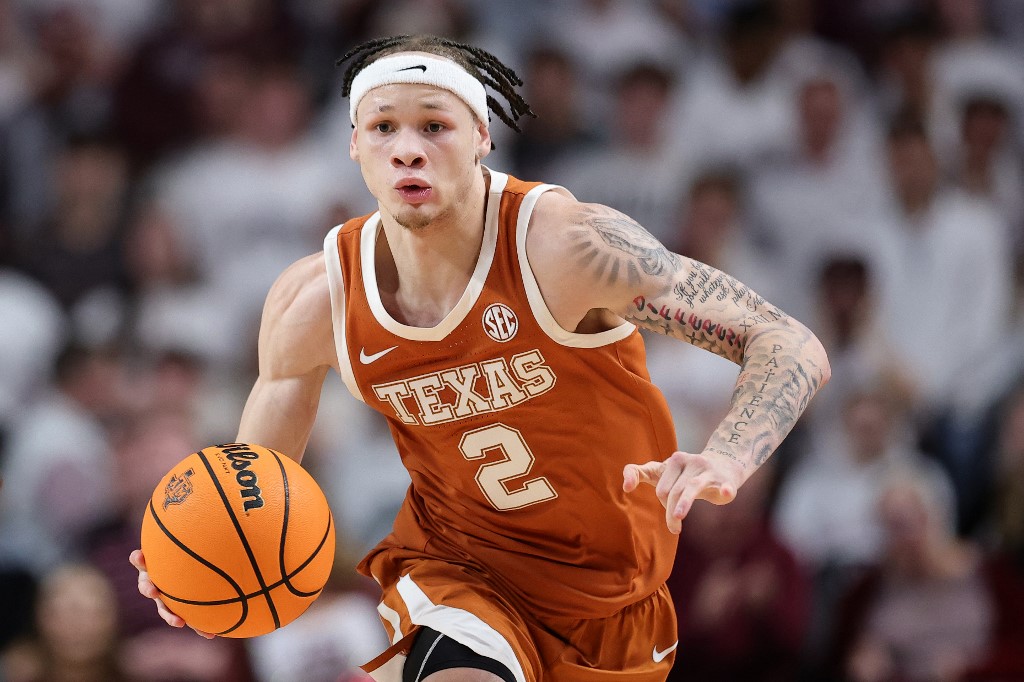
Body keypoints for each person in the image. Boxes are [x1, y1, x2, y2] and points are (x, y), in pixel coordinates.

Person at [130, 34, 830, 681]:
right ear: (353, 147)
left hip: (617, 590)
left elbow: (787, 341)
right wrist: (207, 559)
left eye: (433, 125)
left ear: (482, 138)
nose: (408, 149)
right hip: (460, 569)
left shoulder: (566, 247)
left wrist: (728, 457)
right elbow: (256, 491)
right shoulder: (315, 300)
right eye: (384, 128)